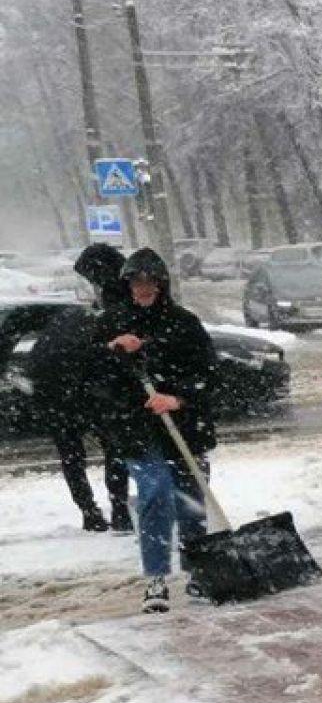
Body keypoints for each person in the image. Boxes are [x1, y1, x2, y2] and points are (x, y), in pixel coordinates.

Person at [99, 249, 216, 612]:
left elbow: (209, 375)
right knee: (155, 493)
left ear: (162, 284)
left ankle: (197, 571)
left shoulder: (184, 323)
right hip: (137, 429)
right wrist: (114, 352)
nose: (143, 289)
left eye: (150, 282)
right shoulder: (113, 323)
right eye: (136, 282)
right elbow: (95, 379)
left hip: (184, 425)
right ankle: (156, 579)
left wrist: (177, 399)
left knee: (190, 500)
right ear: (128, 284)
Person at [11, 244, 135, 532]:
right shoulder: (107, 309)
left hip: (59, 391)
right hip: (89, 391)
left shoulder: (76, 317)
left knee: (73, 454)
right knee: (113, 449)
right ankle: (117, 510)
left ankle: (91, 512)